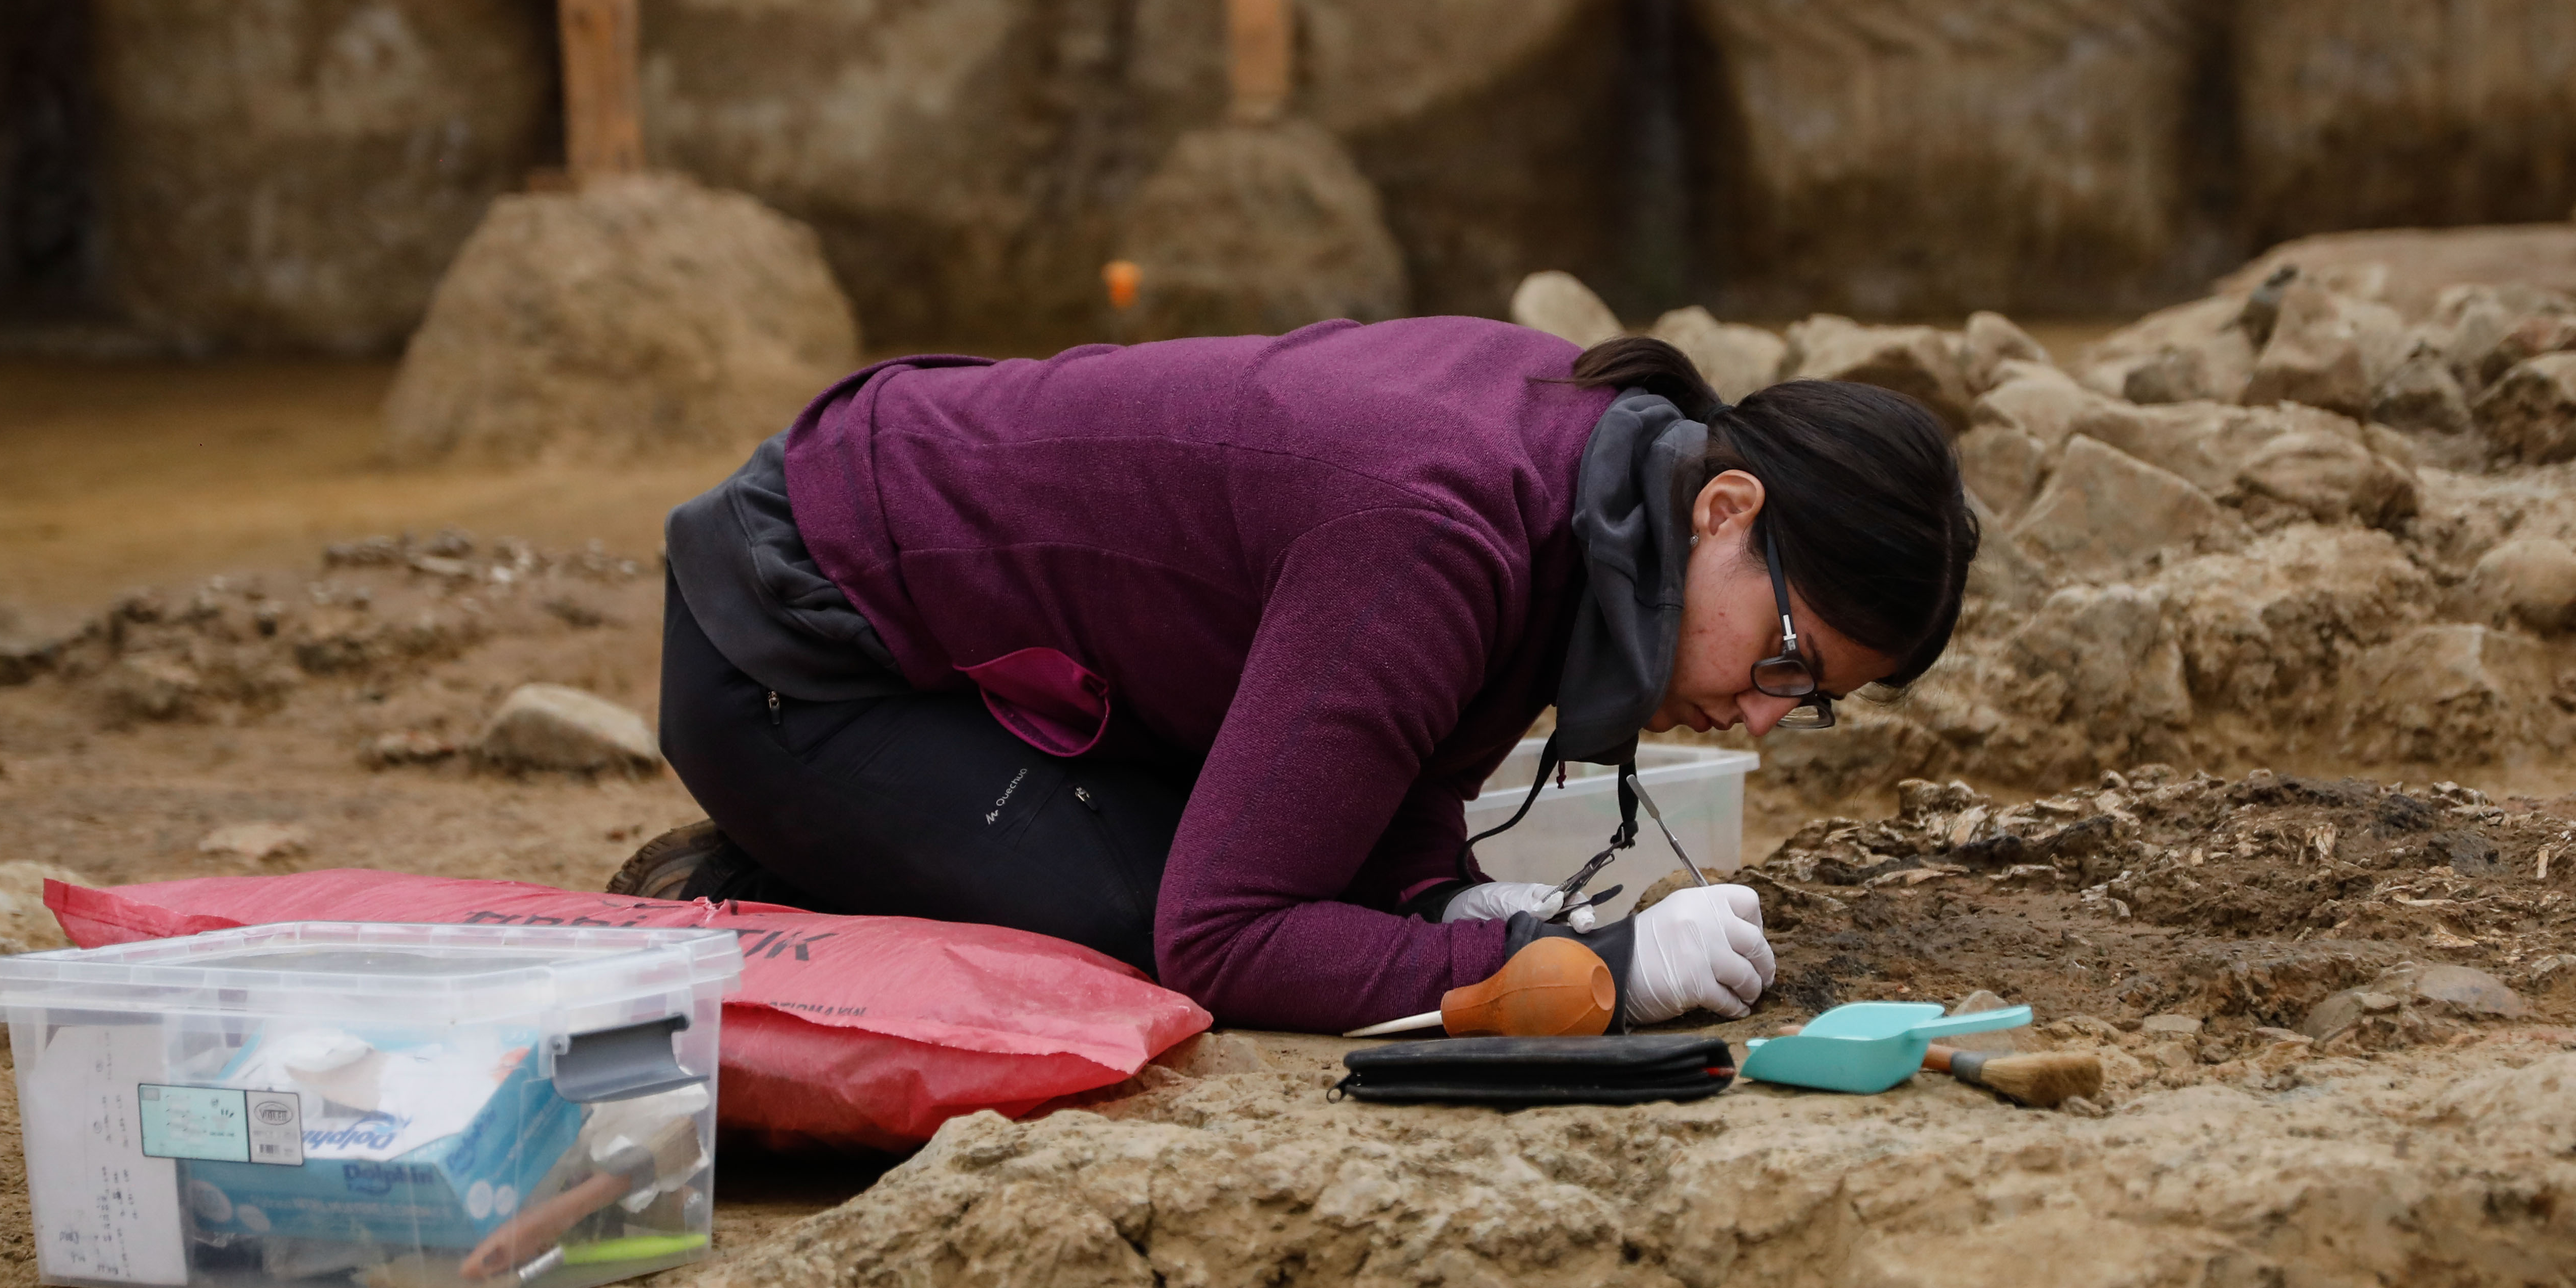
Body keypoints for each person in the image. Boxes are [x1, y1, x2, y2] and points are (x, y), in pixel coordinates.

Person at [625, 316, 1978, 1036]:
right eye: (1787, 659)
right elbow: (1224, 938)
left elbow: (1386, 751)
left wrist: (1442, 889)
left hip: (1010, 658)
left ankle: (908, 833)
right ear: (1727, 509)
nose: (1762, 715)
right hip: (801, 644)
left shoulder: (1592, 481)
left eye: (1811, 702)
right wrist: (1580, 959)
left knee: (1313, 893)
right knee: (1152, 938)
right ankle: (773, 866)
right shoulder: (1439, 523)